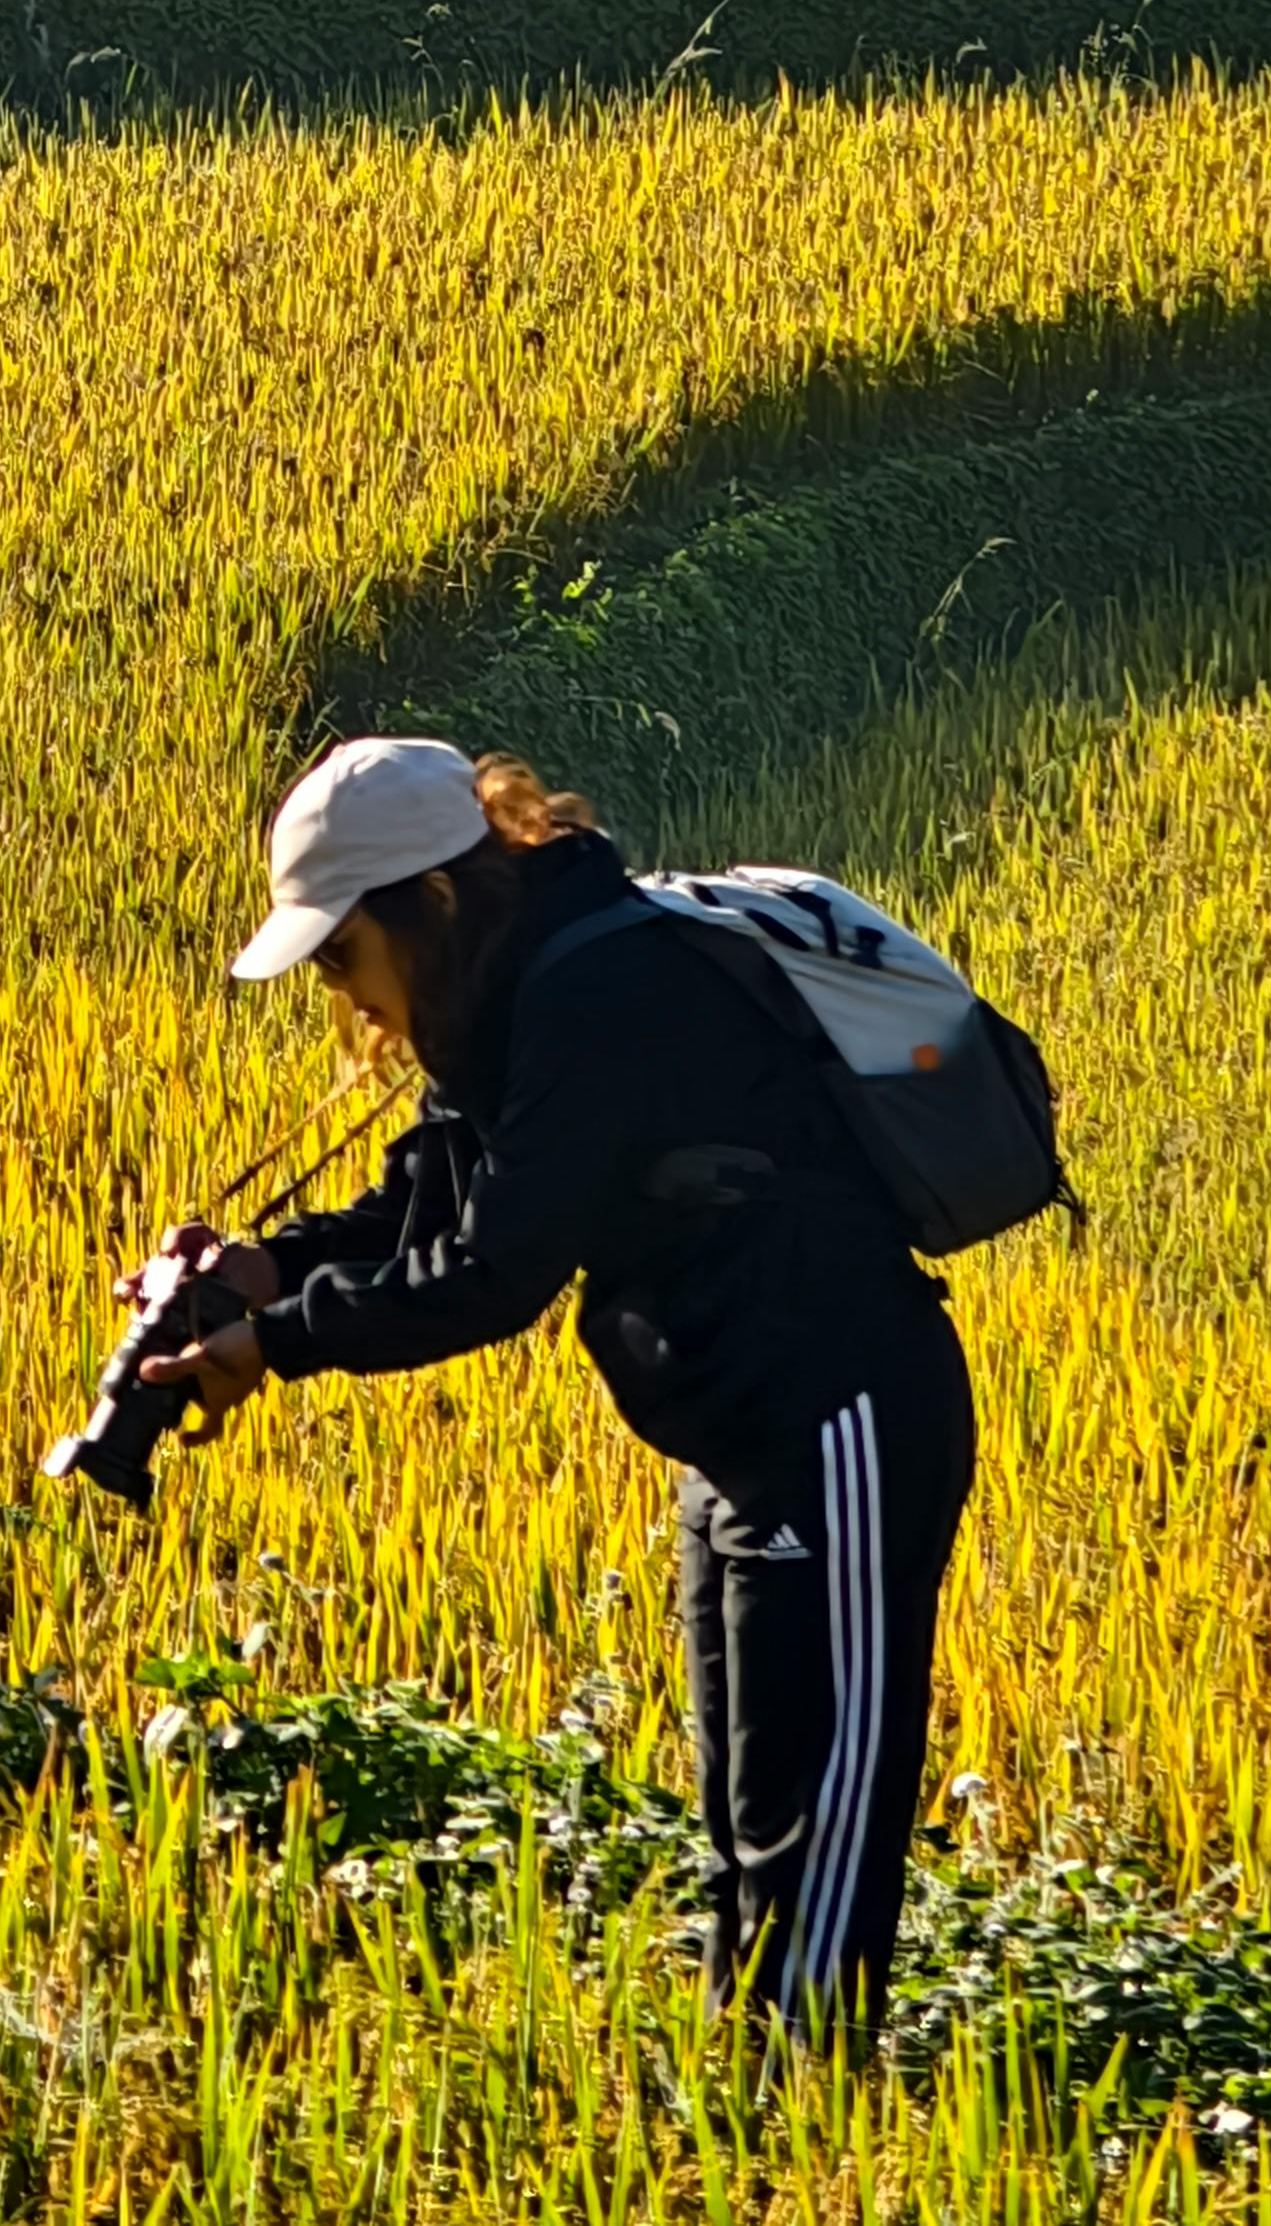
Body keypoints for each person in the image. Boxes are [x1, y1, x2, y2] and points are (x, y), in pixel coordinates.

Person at [131, 736, 971, 2040]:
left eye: (342, 956)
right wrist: (266, 1269)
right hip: (737, 1439)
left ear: (431, 901)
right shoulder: (524, 989)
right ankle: (754, 2120)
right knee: (745, 1838)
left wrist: (274, 1344)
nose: (347, 999)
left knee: (812, 1851)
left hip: (837, 1424)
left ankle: (816, 2116)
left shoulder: (600, 994)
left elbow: (491, 1273)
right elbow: (430, 1203)